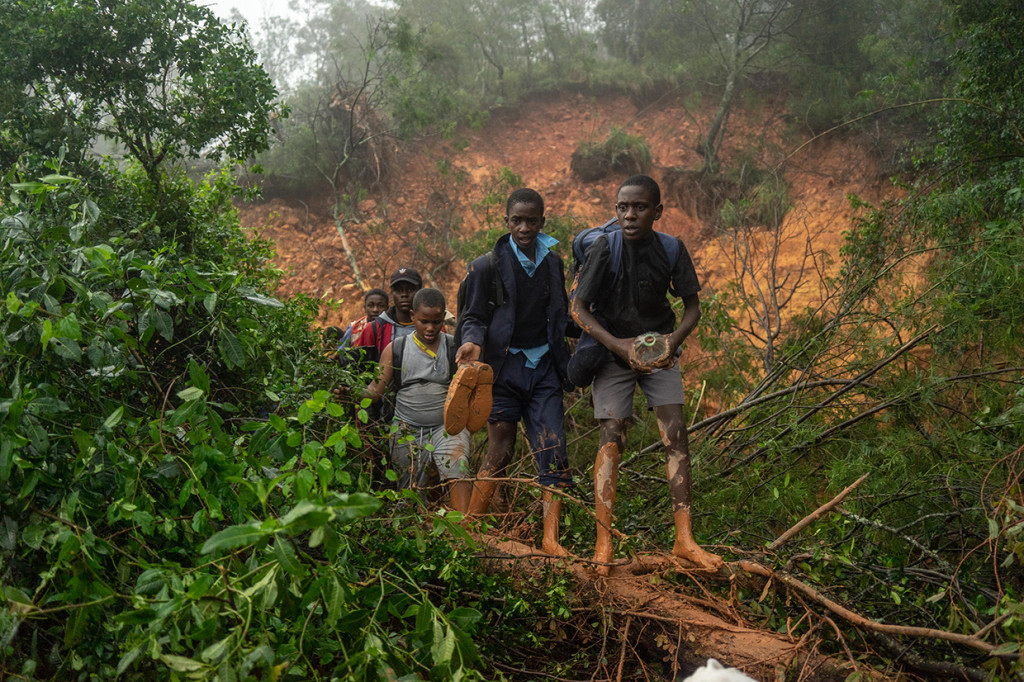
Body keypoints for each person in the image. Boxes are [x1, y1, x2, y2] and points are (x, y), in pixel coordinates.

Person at [571, 174, 721, 573]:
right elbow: (578, 309)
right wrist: (618, 346)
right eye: (622, 208)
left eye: (639, 208)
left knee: (676, 435)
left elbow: (692, 307)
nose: (630, 215)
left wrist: (672, 343)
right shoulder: (604, 247)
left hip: (658, 351)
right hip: (612, 352)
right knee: (611, 437)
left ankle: (684, 539)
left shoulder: (671, 248)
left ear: (657, 211)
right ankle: (603, 543)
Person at [457, 188, 573, 555]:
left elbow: (561, 314)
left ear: (542, 222)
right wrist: (471, 343)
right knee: (501, 447)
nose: (524, 228)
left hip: (544, 369)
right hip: (504, 369)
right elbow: (473, 315)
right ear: (506, 221)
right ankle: (471, 526)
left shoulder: (552, 263)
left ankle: (550, 539)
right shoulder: (486, 265)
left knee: (553, 447)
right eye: (517, 220)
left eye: (532, 221)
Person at [358, 288, 472, 511]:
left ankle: (465, 525)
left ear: (443, 318)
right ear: (413, 316)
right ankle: (415, 525)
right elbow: (375, 390)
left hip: (447, 427)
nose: (430, 328)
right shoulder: (396, 348)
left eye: (436, 322)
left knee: (458, 471)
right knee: (409, 489)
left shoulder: (453, 347)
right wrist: (351, 392)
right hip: (406, 427)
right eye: (424, 321)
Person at [353, 267, 421, 362]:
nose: (404, 294)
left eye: (410, 290)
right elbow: (357, 363)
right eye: (399, 290)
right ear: (392, 293)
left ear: (420, 291)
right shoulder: (375, 328)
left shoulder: (432, 326)